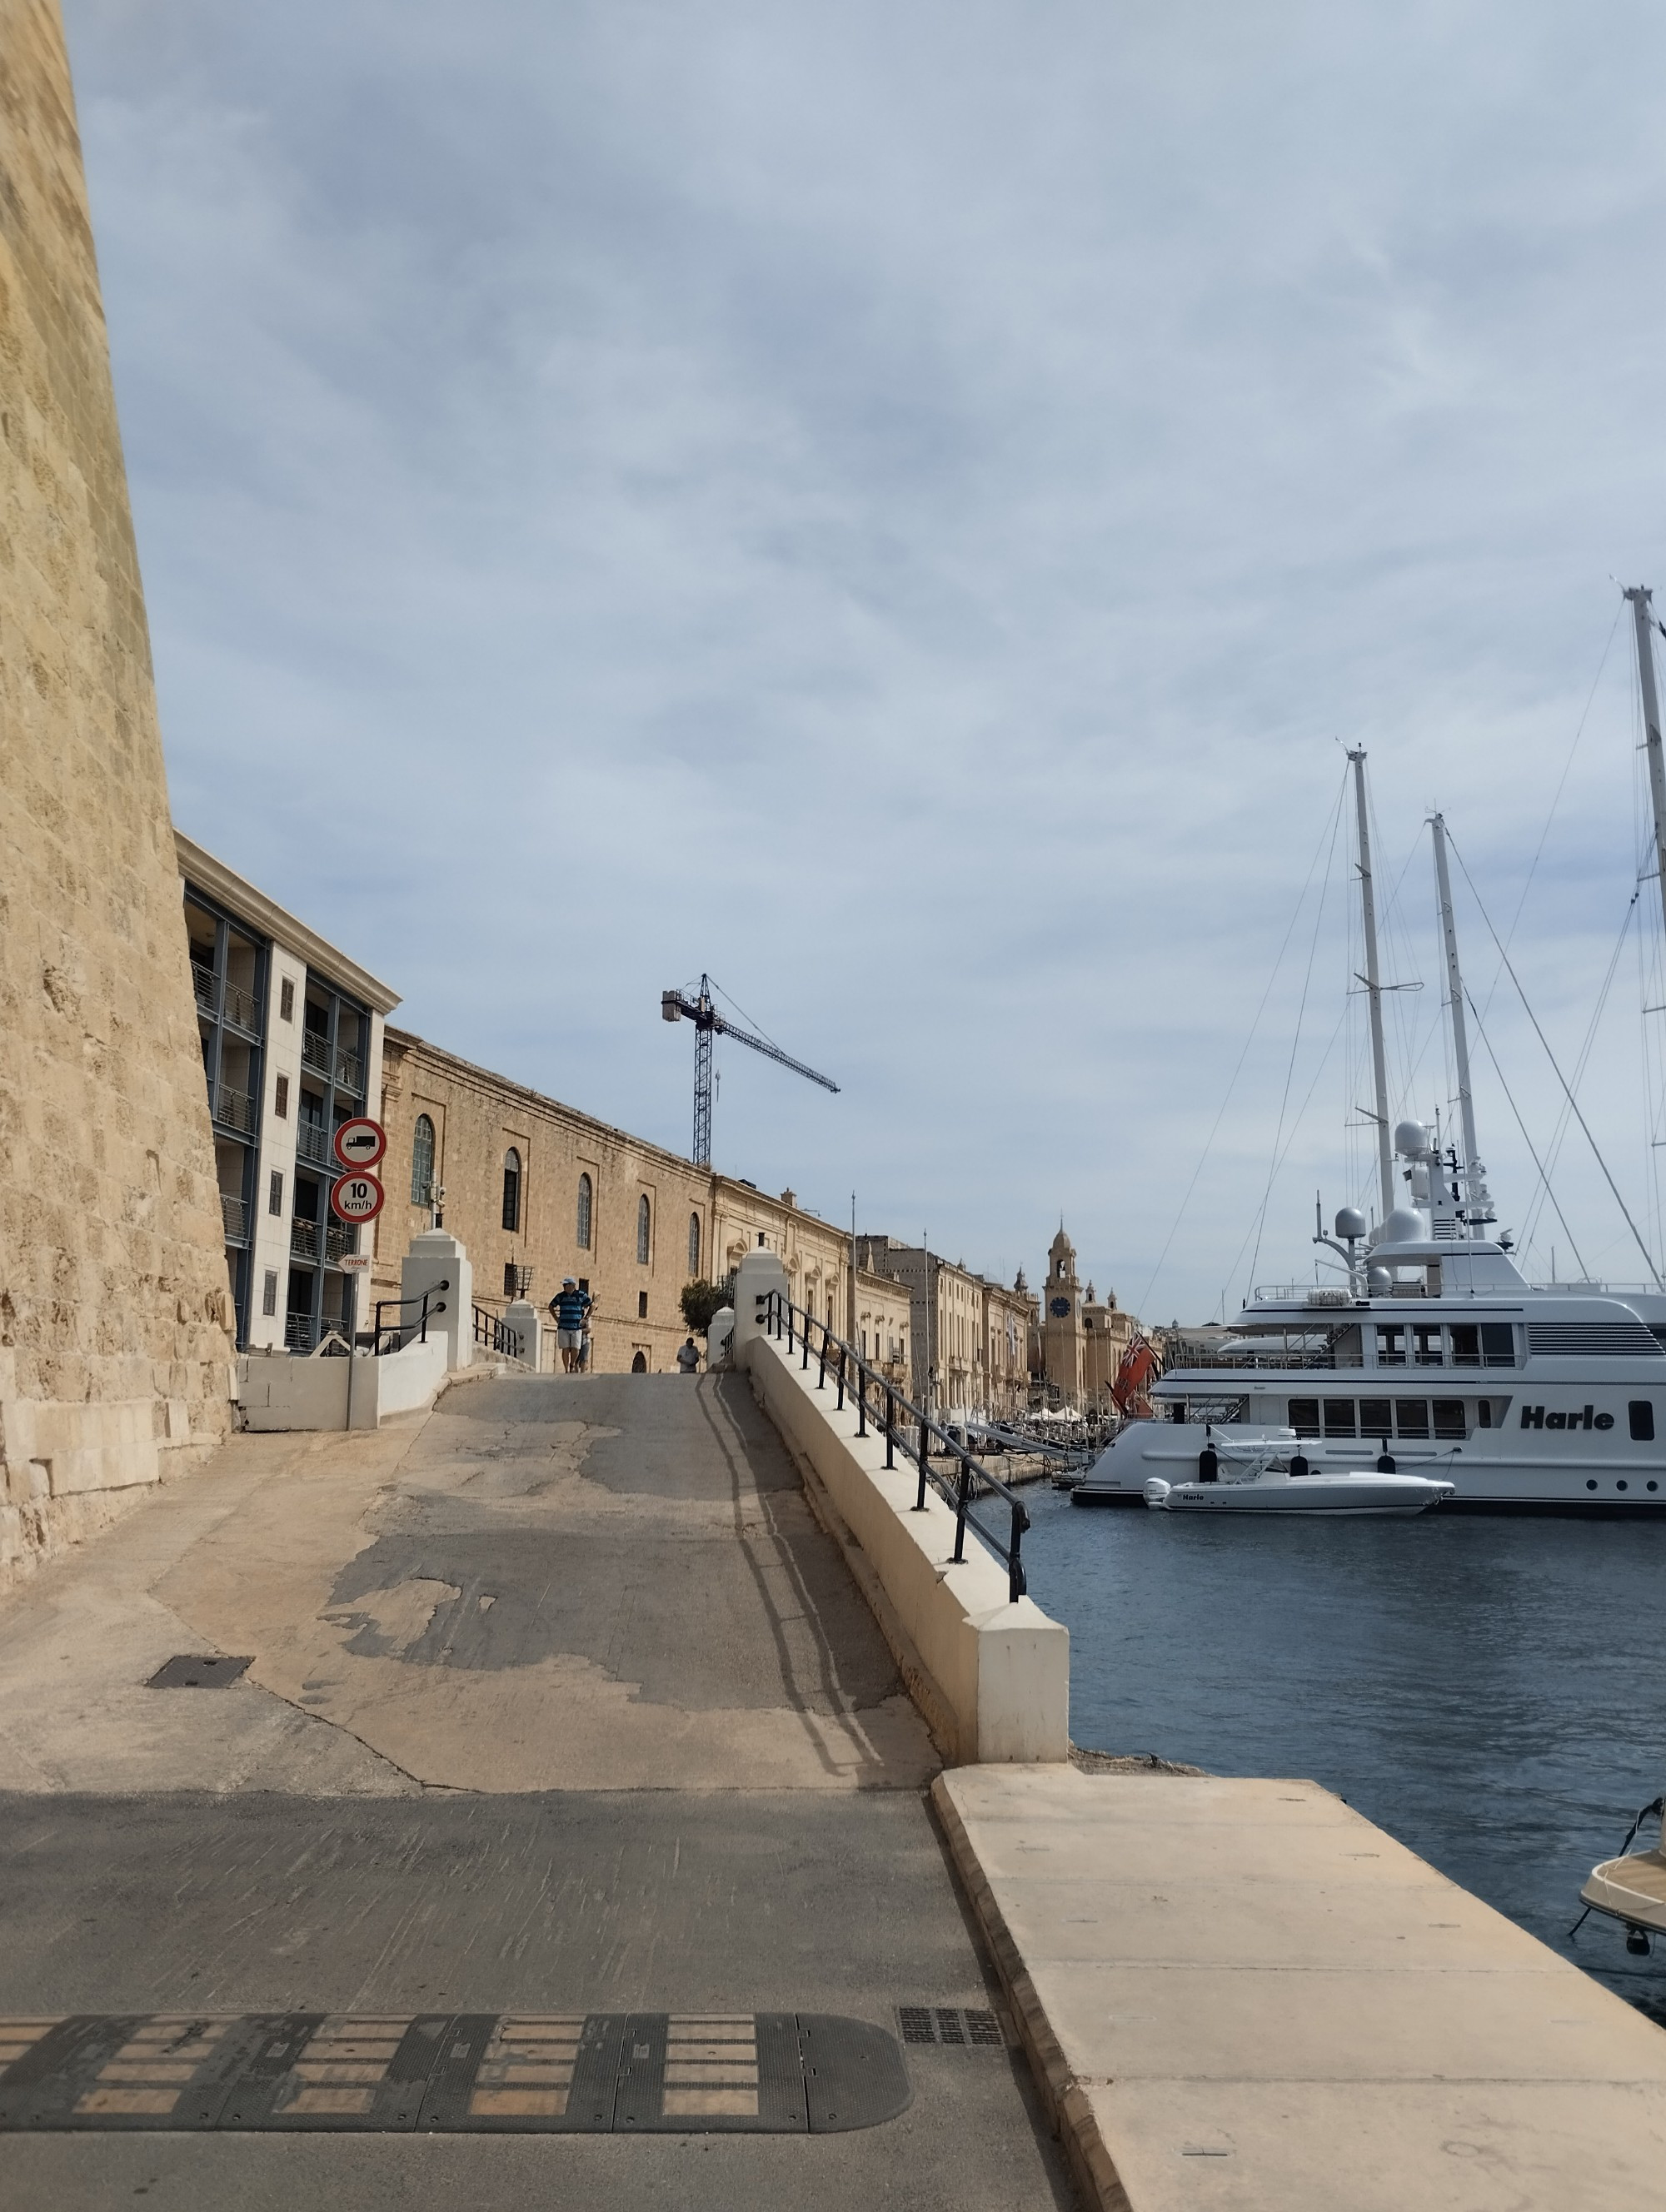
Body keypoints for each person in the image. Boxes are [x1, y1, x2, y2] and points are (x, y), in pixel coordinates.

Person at [548, 1276, 593, 1374]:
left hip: (577, 1327)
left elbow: (592, 1305)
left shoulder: (581, 1295)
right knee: (565, 1348)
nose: (564, 1287)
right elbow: (551, 1306)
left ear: (572, 1286)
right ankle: (567, 1370)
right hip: (563, 1326)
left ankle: (572, 1364)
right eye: (564, 1285)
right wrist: (556, 1318)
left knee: (576, 1348)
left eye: (566, 1285)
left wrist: (586, 1318)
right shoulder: (561, 1296)